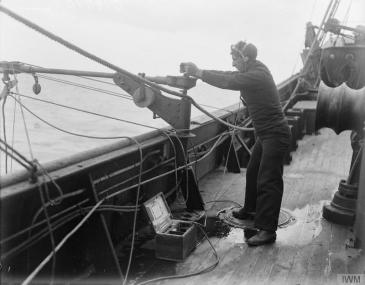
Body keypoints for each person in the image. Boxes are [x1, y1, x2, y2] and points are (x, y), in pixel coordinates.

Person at [181, 41, 290, 246]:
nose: (232, 63)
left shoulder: (258, 74)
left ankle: (267, 230)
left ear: (245, 58)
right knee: (253, 172)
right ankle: (250, 209)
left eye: (234, 59)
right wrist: (199, 72)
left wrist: (200, 72)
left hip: (275, 134)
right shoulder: (251, 70)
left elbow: (229, 81)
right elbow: (229, 75)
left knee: (268, 180)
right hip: (264, 134)